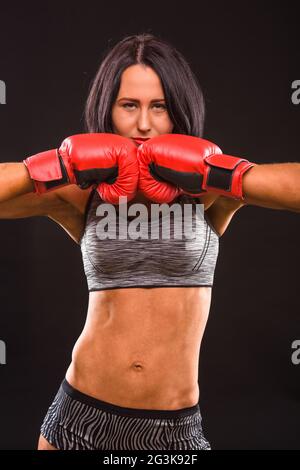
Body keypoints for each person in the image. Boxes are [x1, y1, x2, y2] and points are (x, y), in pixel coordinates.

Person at [0, 33, 299, 451]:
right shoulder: (81, 193)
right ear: (108, 109)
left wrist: (223, 173)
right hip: (79, 417)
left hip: (176, 429)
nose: (144, 124)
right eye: (129, 106)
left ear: (177, 110)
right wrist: (59, 164)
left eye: (158, 107)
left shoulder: (205, 189)